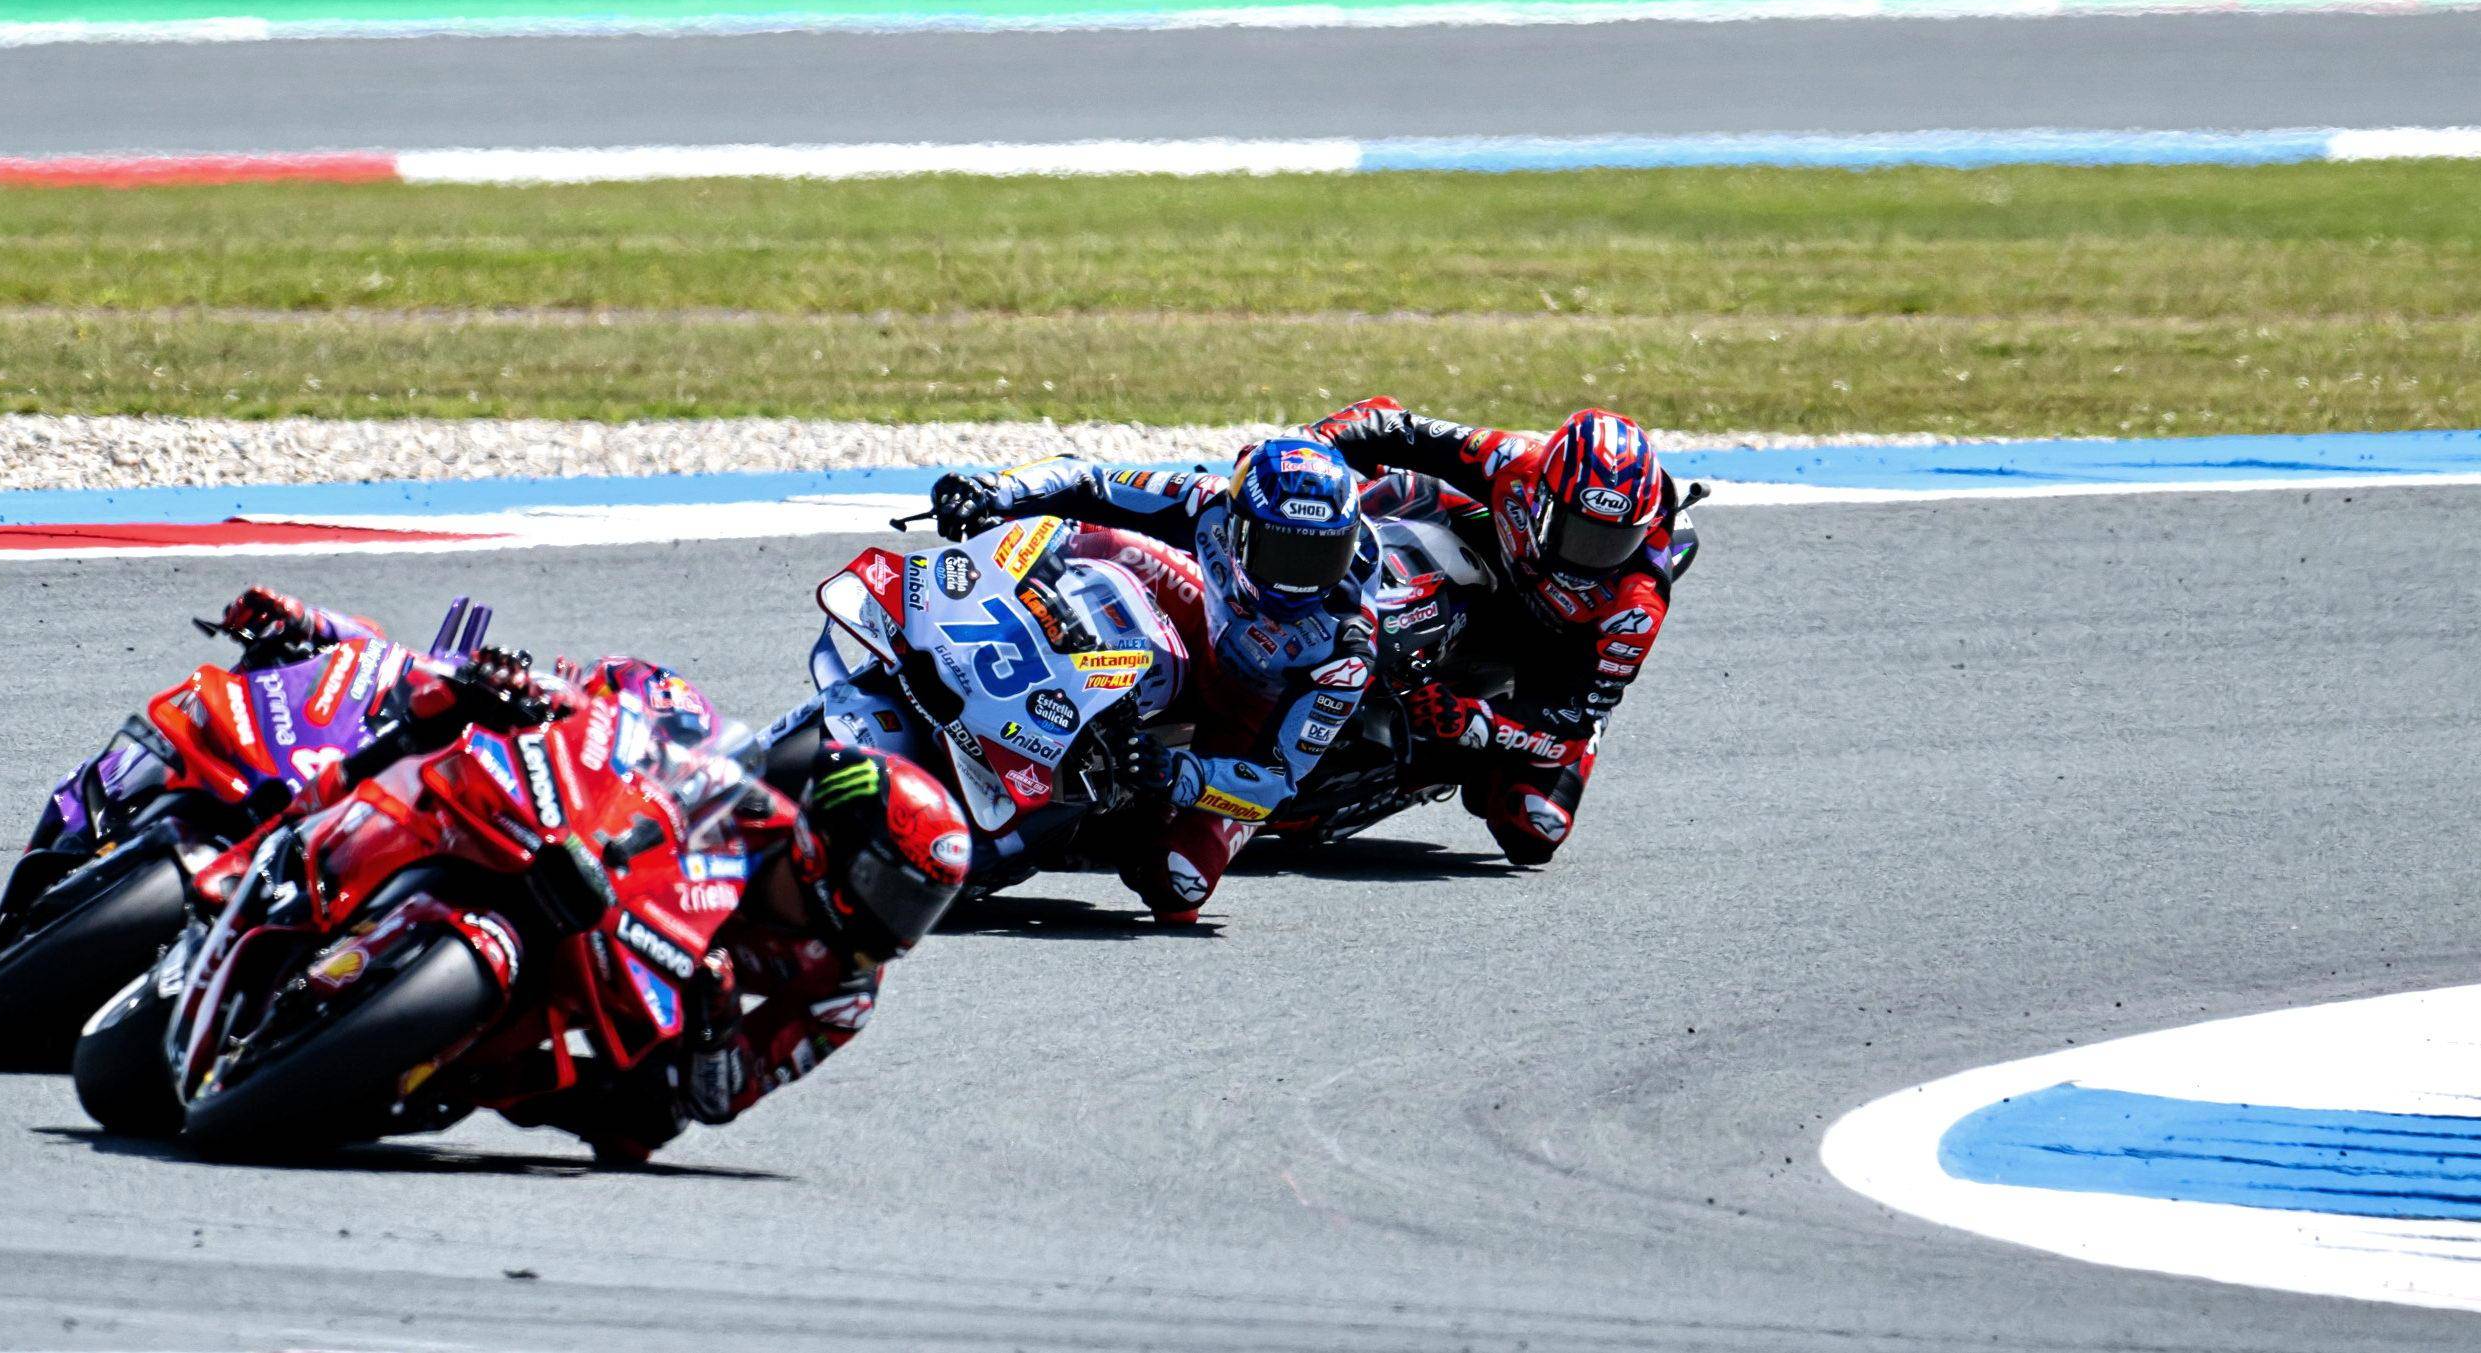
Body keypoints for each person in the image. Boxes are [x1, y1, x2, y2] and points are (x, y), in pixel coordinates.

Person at [208, 585, 966, 1164]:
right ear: (832, 841)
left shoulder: (843, 993)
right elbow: (634, 722)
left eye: (921, 907)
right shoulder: (751, 810)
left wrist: (712, 1024)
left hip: (643, 996)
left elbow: (722, 1098)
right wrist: (545, 697)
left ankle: (441, 1063)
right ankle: (322, 654)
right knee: (456, 698)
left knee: (643, 1124)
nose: (898, 924)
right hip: (590, 867)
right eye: (893, 891)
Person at [924, 436, 1381, 923]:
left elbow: (1276, 783)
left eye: (1321, 557)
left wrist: (1177, 775)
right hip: (1203, 621)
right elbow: (1088, 480)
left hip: (1247, 723)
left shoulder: (1347, 650)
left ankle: (1105, 812)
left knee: (1179, 884)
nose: (1299, 580)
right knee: (1095, 539)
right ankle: (964, 625)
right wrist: (992, 490)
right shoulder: (1207, 501)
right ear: (1239, 526)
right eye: (1283, 553)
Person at [1308, 402, 1682, 867]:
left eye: (1612, 543)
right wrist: (1309, 450)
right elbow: (1392, 425)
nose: (1590, 559)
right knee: (1399, 486)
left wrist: (1471, 720)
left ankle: (1434, 761)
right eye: (1579, 534)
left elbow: (1572, 726)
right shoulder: (1513, 462)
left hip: (1558, 659)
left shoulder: (1637, 608)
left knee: (1535, 829)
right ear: (1544, 499)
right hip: (1489, 569)